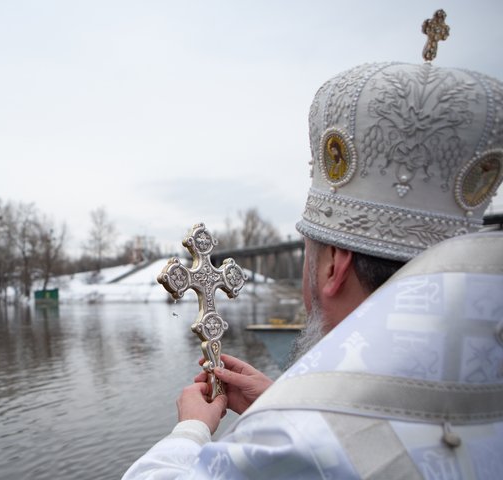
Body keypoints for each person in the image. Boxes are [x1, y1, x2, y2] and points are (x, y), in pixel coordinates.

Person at [123, 18, 503, 480]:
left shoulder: (294, 448)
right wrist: (283, 400)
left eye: (310, 250)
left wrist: (190, 433)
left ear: (333, 268)